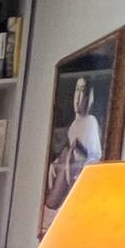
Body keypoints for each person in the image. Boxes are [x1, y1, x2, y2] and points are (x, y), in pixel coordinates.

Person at [42, 75, 102, 231]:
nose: (79, 96)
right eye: (77, 90)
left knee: (68, 154)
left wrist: (73, 157)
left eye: (83, 91)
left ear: (89, 96)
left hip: (79, 169)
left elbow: (95, 157)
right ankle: (51, 205)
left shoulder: (91, 122)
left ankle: (52, 204)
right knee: (64, 156)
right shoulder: (74, 125)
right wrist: (54, 164)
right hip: (70, 164)